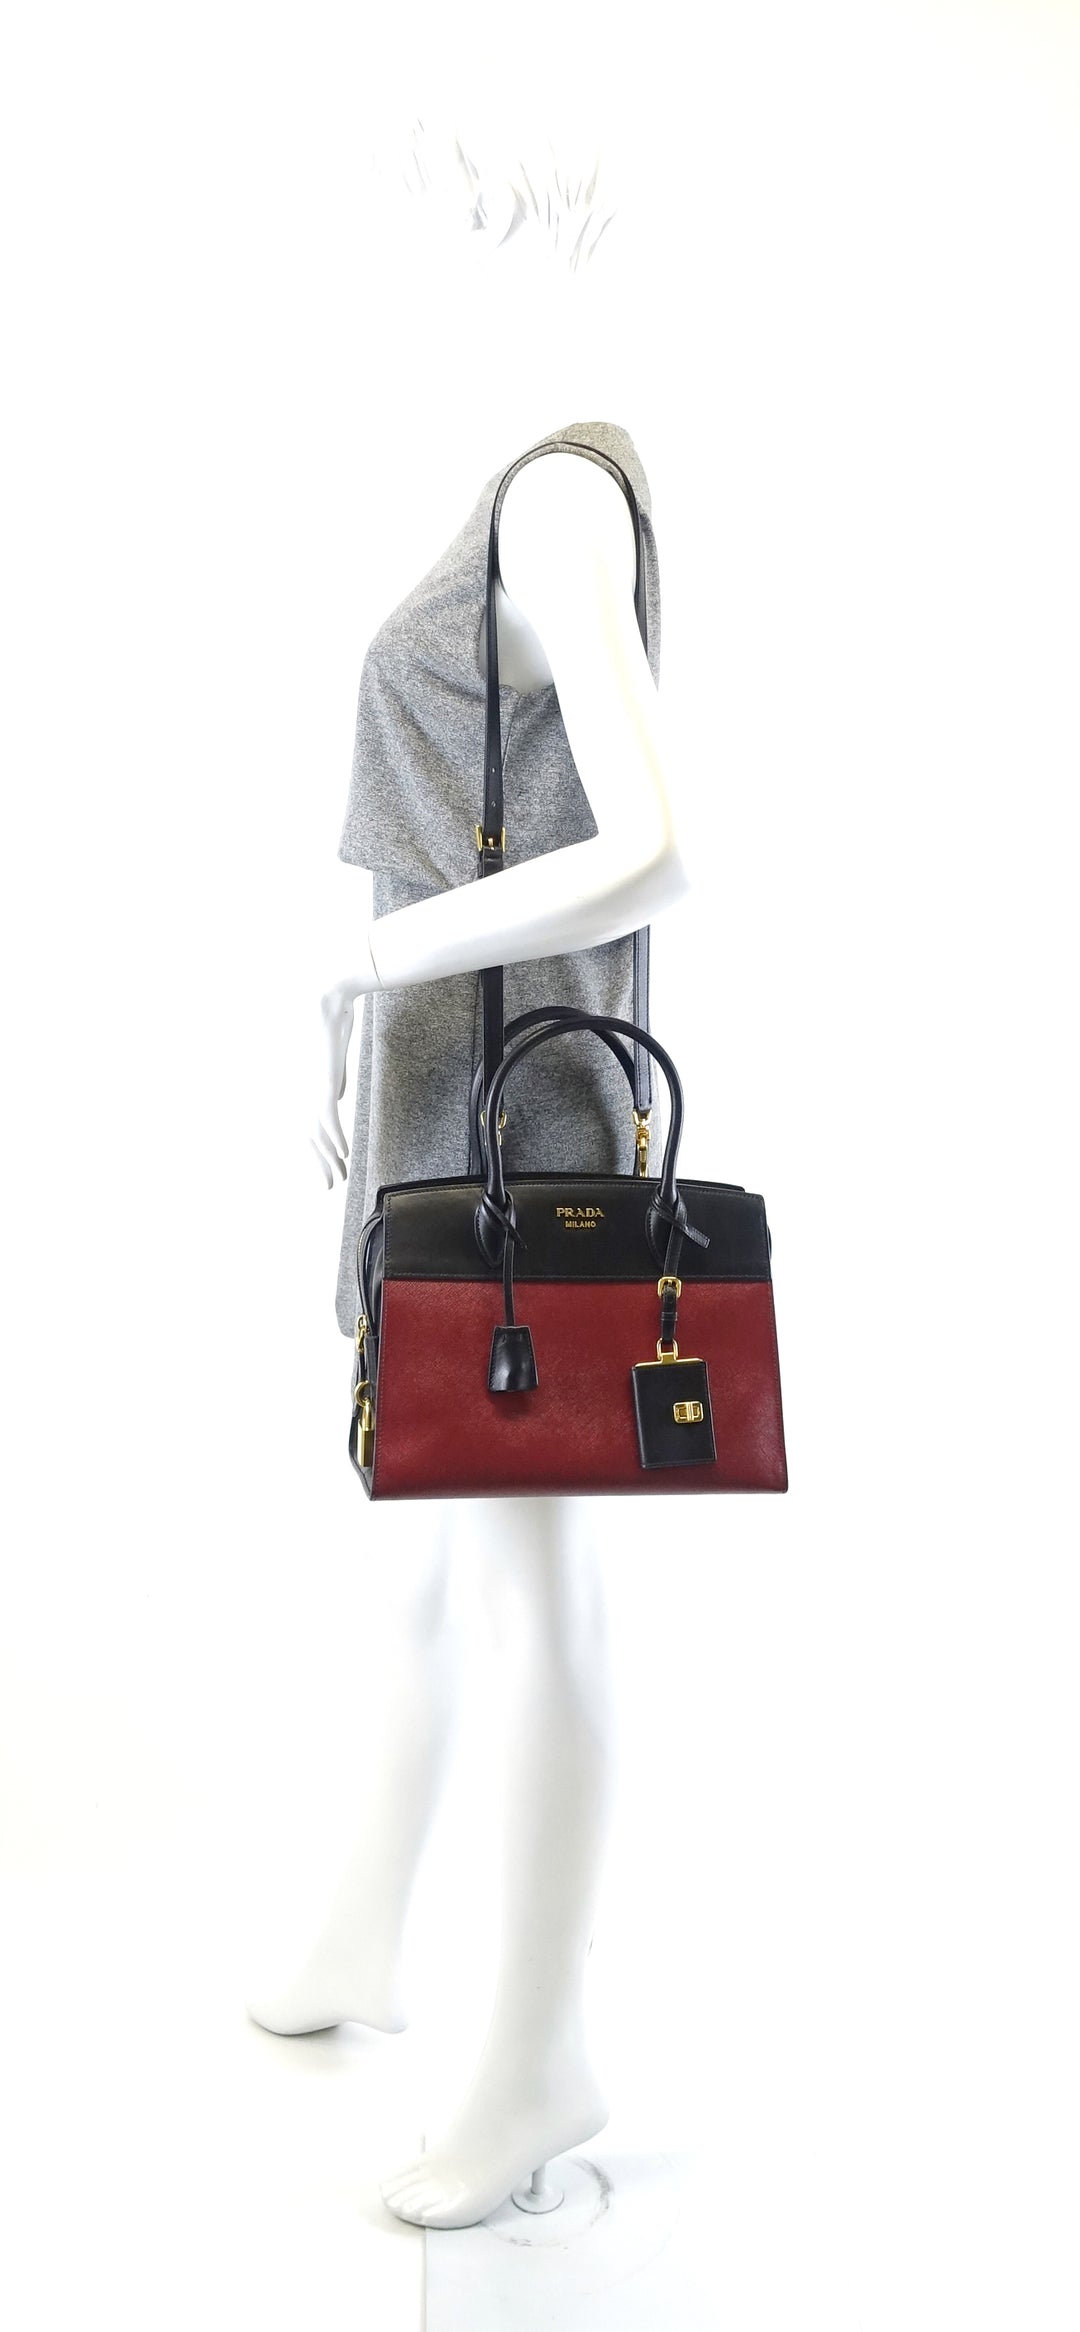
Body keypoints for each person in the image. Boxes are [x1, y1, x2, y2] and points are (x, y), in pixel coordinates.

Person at [247, 136, 691, 2234]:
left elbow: (660, 843)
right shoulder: (513, 483)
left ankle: (536, 2059)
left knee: (526, 1577)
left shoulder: (555, 494)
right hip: (448, 1116)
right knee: (420, 1550)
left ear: (521, 244)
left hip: (521, 1135)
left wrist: (371, 960)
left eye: (440, 228)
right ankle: (360, 1928)